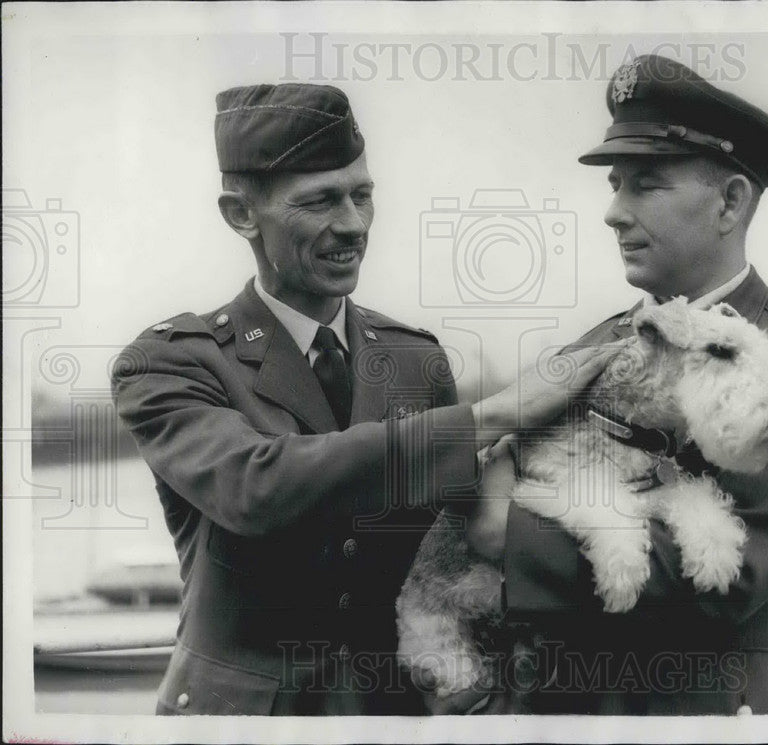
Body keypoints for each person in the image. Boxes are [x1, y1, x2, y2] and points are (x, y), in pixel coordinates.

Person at [110, 83, 620, 716]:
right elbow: (254, 487)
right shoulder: (171, 362)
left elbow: (452, 546)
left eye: (362, 195)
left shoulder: (414, 359)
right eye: (320, 201)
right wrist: (494, 415)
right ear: (241, 215)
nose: (352, 225)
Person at [465, 55, 768, 715]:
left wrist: (499, 531)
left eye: (646, 185)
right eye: (615, 185)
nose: (613, 212)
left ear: (729, 202)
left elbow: (722, 579)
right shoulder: (587, 354)